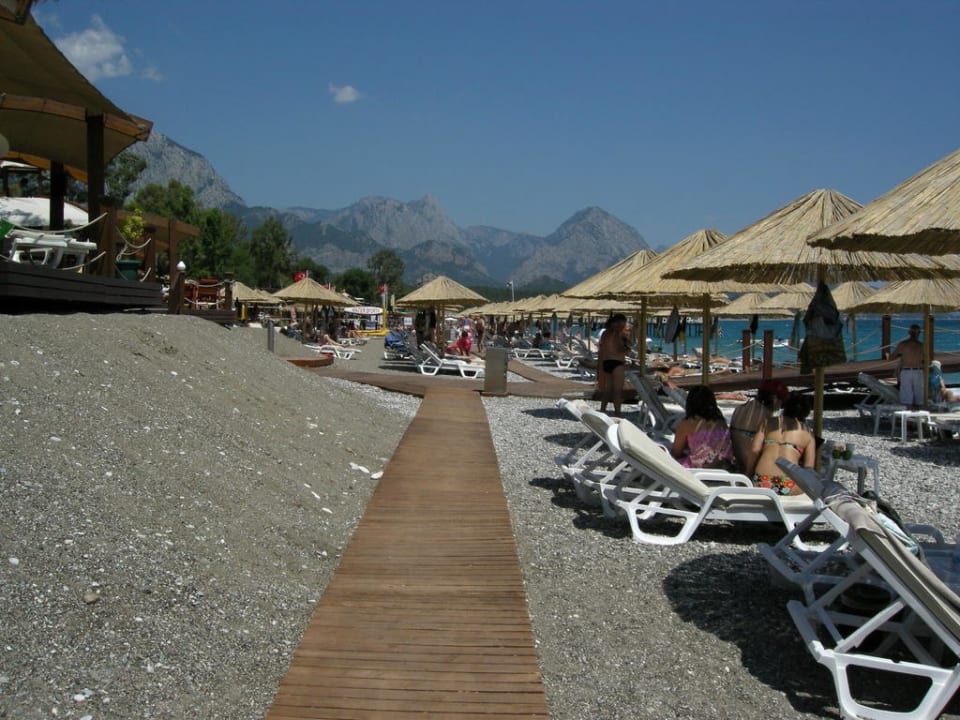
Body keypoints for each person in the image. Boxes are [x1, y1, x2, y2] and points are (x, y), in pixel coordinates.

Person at [750, 393, 816, 496]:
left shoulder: (768, 423)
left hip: (762, 481)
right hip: (789, 484)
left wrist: (747, 472)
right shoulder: (808, 433)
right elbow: (809, 468)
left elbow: (755, 450)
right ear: (806, 412)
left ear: (785, 406)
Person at [728, 379, 789, 476]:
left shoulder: (739, 409)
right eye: (781, 402)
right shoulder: (768, 418)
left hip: (737, 461)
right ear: (775, 399)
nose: (781, 406)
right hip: (752, 466)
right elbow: (755, 450)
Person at [670, 385, 736, 470]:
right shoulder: (721, 421)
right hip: (723, 468)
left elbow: (676, 452)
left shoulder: (688, 423)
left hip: (699, 468)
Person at [598, 313, 629, 416]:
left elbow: (602, 350)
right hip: (617, 363)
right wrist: (627, 348)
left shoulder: (605, 333)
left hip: (606, 363)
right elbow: (619, 350)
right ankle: (618, 412)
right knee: (617, 391)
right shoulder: (619, 334)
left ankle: (602, 410)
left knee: (608, 390)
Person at [889, 324, 924, 409]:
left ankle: (907, 417)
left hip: (906, 371)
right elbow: (928, 359)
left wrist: (890, 355)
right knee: (919, 396)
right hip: (918, 371)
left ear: (909, 332)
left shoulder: (903, 344)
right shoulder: (921, 345)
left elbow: (891, 358)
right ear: (919, 333)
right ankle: (920, 415)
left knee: (906, 396)